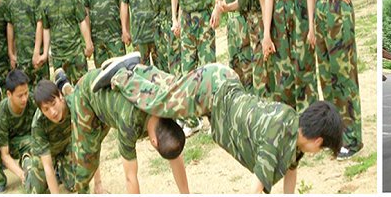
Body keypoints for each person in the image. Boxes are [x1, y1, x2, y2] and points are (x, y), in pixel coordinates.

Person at [94, 59, 342, 194]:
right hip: (213, 90)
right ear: (318, 141)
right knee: (162, 103)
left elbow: (291, 168)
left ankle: (139, 69)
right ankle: (121, 74)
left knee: (171, 92)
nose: (316, 153)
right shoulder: (277, 137)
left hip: (222, 84)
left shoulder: (291, 124)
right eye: (321, 149)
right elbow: (255, 189)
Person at [54, 63, 189, 194]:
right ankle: (65, 88)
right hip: (88, 94)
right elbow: (130, 178)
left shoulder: (166, 105)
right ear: (153, 142)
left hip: (111, 93)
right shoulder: (130, 123)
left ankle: (64, 85)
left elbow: (174, 151)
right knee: (86, 163)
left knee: (76, 102)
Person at [311, 0, 366, 159]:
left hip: (337, 8)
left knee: (343, 75)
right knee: (326, 75)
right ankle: (335, 134)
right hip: (320, 9)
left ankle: (353, 139)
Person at [167, 0, 221, 137]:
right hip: (187, 21)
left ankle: (215, 119)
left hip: (204, 17)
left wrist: (217, 6)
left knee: (208, 70)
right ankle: (192, 120)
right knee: (187, 71)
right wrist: (175, 18)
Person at [262, 0, 318, 112]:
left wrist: (311, 25)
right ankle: (287, 120)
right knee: (281, 73)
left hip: (300, 8)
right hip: (278, 13)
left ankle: (309, 121)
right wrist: (266, 34)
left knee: (304, 68)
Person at [26, 78, 104, 193]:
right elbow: (47, 166)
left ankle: (60, 170)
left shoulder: (75, 105)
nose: (52, 112)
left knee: (76, 184)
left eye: (53, 104)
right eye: (46, 109)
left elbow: (91, 145)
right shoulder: (38, 124)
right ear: (41, 111)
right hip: (49, 153)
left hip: (68, 146)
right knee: (35, 190)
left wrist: (98, 184)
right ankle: (26, 160)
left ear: (60, 96)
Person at [0, 70, 36, 193]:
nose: (24, 99)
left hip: (26, 141)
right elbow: (5, 154)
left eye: (26, 93)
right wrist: (22, 175)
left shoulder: (32, 101)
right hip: (6, 145)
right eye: (20, 95)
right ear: (9, 94)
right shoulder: (0, 113)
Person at [40, 0, 94, 83]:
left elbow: (82, 22)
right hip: (58, 56)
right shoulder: (44, 3)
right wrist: (45, 53)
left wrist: (88, 43)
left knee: (83, 89)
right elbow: (46, 28)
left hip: (76, 53)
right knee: (63, 93)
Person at [6, 0, 48, 87]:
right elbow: (10, 24)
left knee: (43, 91)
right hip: (21, 57)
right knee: (24, 93)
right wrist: (11, 53)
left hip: (37, 55)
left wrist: (36, 52)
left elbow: (40, 23)